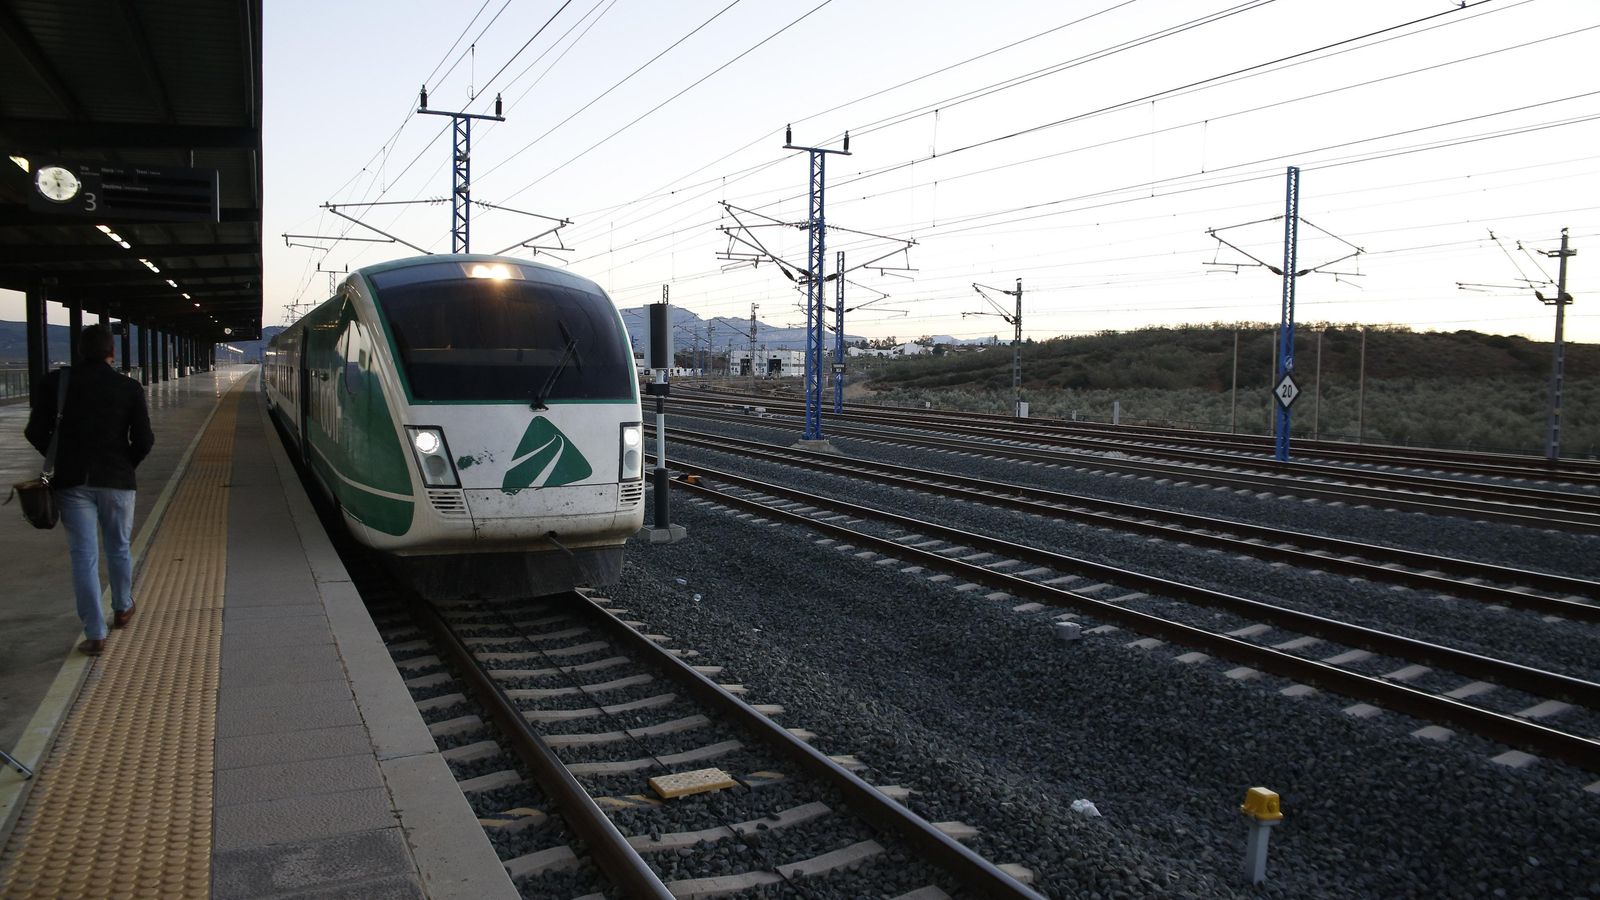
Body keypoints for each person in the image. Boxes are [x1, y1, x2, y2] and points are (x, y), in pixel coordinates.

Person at [25, 324, 154, 655]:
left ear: (80, 351)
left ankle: (95, 633)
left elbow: (35, 431)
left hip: (72, 482)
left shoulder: (56, 383)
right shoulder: (128, 387)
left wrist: (59, 458)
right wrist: (126, 464)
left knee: (83, 556)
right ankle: (123, 608)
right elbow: (144, 440)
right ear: (112, 352)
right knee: (119, 547)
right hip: (117, 480)